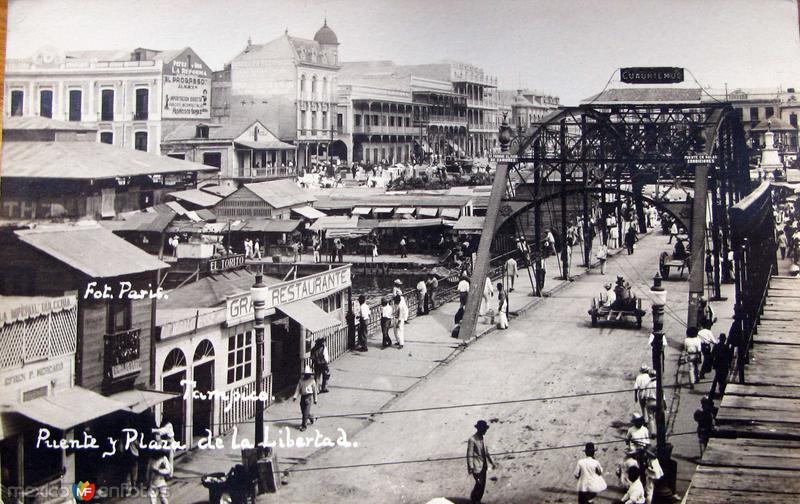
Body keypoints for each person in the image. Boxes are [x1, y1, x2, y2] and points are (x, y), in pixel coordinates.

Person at [466, 420, 496, 504]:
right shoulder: (472, 439)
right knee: (479, 484)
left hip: (484, 467)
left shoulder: (484, 439)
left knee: (482, 486)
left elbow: (487, 453)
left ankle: (476, 500)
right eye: (484, 429)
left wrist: (492, 462)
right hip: (476, 467)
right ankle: (474, 499)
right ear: (480, 429)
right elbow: (469, 454)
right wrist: (471, 467)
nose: (485, 431)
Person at [293, 366, 318, 431]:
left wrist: (315, 399)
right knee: (303, 410)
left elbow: (315, 390)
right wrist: (295, 396)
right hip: (303, 397)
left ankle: (304, 426)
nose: (307, 376)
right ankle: (312, 418)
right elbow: (298, 389)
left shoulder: (312, 381)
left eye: (308, 375)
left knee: (305, 412)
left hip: (309, 397)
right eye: (306, 375)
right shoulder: (301, 380)